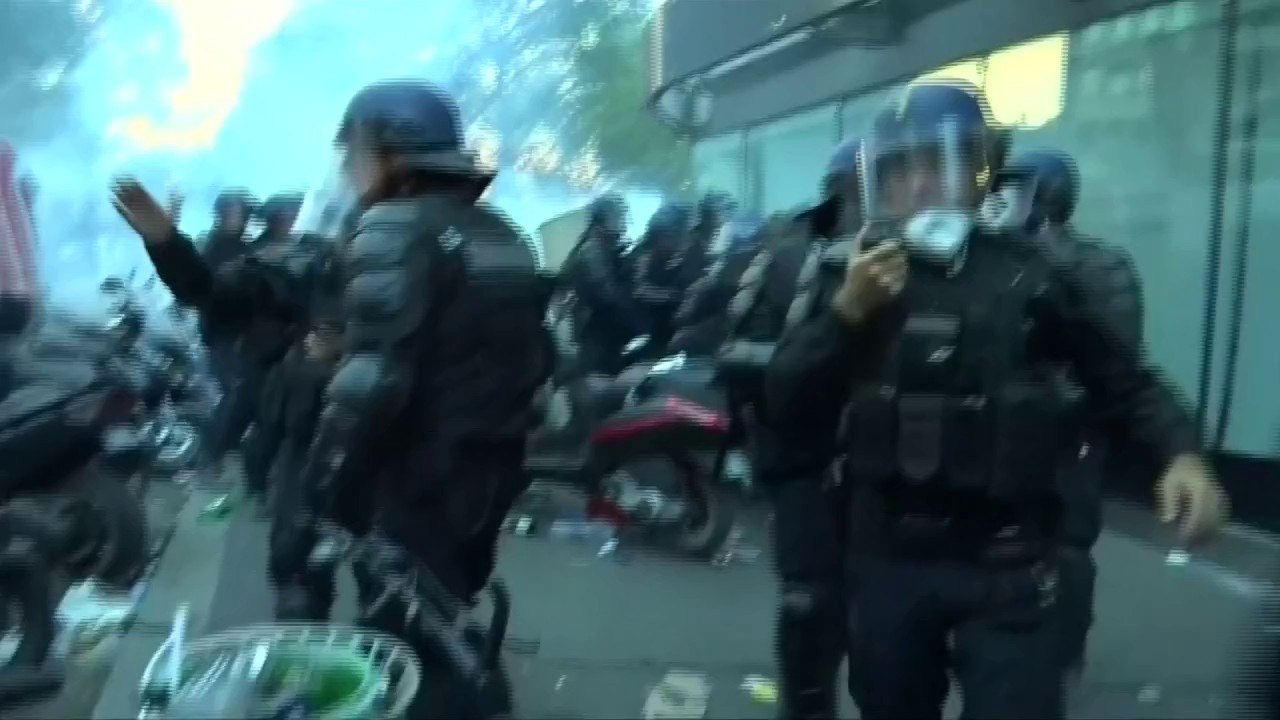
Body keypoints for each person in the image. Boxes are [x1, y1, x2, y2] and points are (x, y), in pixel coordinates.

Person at [763, 81, 1227, 720]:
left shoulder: (1029, 274)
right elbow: (785, 398)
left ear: (980, 170)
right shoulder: (851, 276)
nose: (920, 187)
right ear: (877, 182)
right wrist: (844, 316)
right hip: (889, 559)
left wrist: (1182, 455)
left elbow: (1123, 380)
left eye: (939, 164)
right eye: (900, 170)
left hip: (1005, 559)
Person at [111, 78, 554, 719]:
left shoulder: (394, 229)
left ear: (394, 152)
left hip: (402, 469)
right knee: (430, 610)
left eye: (355, 152)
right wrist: (168, 243)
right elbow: (534, 364)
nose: (346, 168)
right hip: (481, 469)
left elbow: (374, 388)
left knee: (404, 624)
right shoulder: (500, 237)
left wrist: (327, 492)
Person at [1007, 149, 1144, 678]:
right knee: (1070, 543)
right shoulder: (1110, 262)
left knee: (1026, 541)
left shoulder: (1016, 260)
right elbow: (1123, 355)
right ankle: (1064, 654)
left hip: (1036, 426)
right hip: (1081, 428)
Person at [561, 193, 647, 375]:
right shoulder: (592, 251)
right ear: (605, 219)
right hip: (596, 329)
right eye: (620, 216)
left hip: (603, 326)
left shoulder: (607, 245)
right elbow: (607, 296)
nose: (624, 221)